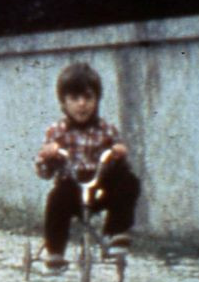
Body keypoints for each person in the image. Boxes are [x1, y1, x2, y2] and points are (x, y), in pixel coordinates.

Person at [33, 62, 141, 270]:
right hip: (71, 188)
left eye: (88, 98)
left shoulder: (106, 130)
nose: (82, 104)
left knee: (129, 181)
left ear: (97, 100)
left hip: (100, 187)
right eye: (75, 99)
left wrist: (118, 153)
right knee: (56, 200)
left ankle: (116, 233)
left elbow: (120, 165)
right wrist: (48, 156)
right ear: (63, 103)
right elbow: (43, 171)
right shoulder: (57, 132)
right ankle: (55, 251)